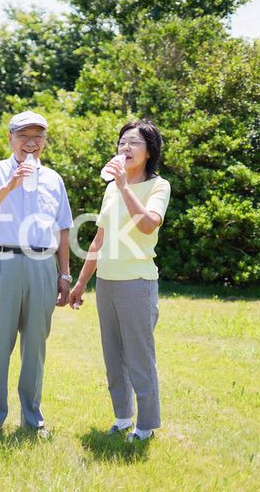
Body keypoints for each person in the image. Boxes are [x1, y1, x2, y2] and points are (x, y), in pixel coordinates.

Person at [0, 110, 73, 435]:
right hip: (3, 263)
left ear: (45, 141)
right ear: (10, 138)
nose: (31, 143)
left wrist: (65, 274)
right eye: (23, 136)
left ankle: (32, 419)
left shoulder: (54, 179)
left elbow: (63, 229)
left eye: (37, 136)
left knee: (36, 345)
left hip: (43, 265)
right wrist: (10, 185)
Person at [68, 119, 171, 443]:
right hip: (108, 283)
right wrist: (82, 283)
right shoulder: (111, 187)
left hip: (137, 282)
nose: (125, 148)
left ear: (149, 150)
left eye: (134, 143)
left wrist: (126, 186)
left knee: (139, 357)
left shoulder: (158, 186)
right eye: (122, 142)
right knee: (113, 356)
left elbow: (148, 225)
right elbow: (98, 241)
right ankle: (123, 417)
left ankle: (147, 425)